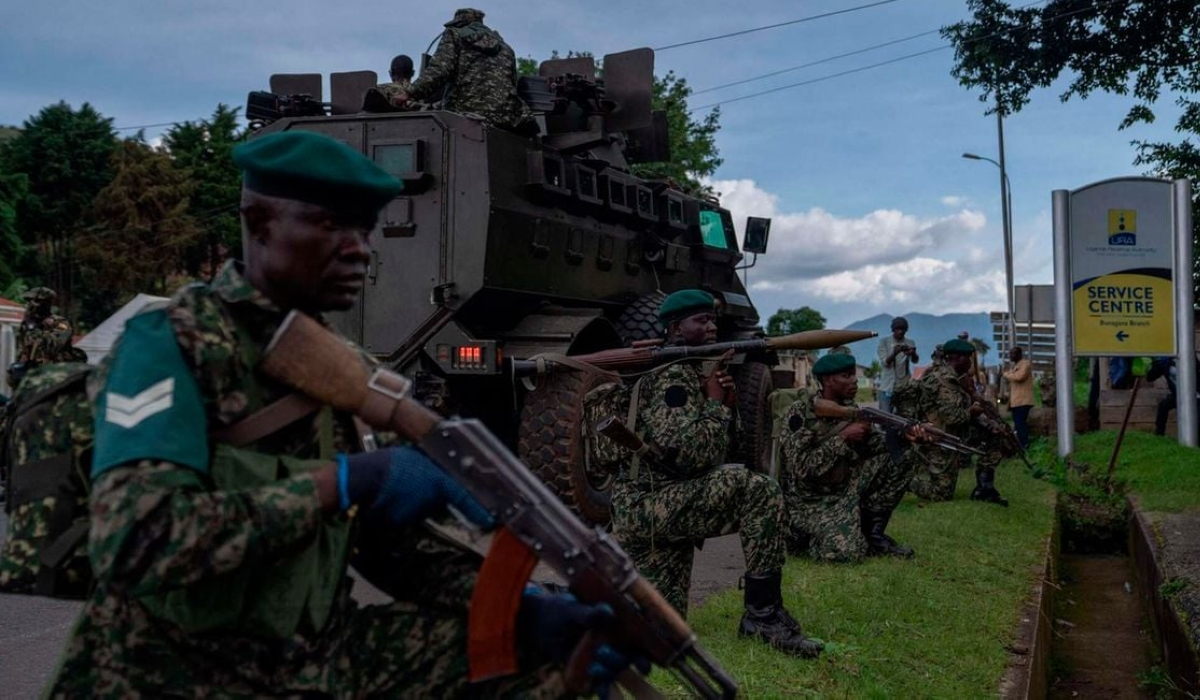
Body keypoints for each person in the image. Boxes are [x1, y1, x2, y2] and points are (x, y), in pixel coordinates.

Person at [47, 131, 627, 697]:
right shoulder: (172, 344)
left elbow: (383, 548)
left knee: (531, 659)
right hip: (171, 668)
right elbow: (135, 542)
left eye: (366, 229)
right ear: (258, 222)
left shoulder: (333, 365)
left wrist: (521, 605)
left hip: (302, 656)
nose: (361, 248)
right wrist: (345, 481)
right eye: (332, 225)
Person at [609, 289, 824, 658]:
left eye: (712, 320)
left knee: (660, 630)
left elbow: (731, 449)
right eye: (701, 320)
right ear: (676, 329)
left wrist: (728, 405)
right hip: (648, 505)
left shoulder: (696, 371)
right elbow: (692, 456)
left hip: (667, 497)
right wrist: (713, 403)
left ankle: (593, 607)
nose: (711, 327)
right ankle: (763, 617)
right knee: (760, 490)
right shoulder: (672, 377)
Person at [778, 352, 924, 562]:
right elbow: (802, 469)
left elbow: (876, 448)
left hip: (845, 490)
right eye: (846, 376)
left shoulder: (851, 409)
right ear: (828, 380)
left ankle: (872, 535)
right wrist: (843, 437)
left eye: (853, 375)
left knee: (903, 458)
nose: (855, 380)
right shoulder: (801, 413)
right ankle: (803, 536)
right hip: (810, 500)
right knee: (845, 555)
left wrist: (905, 436)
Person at [902, 338, 1008, 505]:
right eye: (969, 359)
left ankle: (984, 489)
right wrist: (973, 411)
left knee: (992, 436)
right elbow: (953, 417)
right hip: (936, 440)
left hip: (953, 433)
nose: (971, 363)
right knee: (941, 494)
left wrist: (988, 423)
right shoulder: (943, 380)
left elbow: (962, 413)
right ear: (958, 358)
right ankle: (901, 480)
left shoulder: (958, 379)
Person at [394, 8, 528, 129]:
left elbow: (440, 70)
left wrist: (409, 93)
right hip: (502, 121)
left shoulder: (454, 34)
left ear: (459, 23)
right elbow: (511, 85)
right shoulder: (507, 49)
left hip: (463, 118)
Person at [1146, 354, 1200, 436]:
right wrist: (1154, 364)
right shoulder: (1165, 362)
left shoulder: (1188, 355)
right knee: (1163, 405)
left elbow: (1196, 368)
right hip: (1178, 395)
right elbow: (1150, 377)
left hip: (1195, 393)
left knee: (1197, 417)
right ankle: (1159, 434)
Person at [876, 317, 918, 413]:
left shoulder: (910, 342)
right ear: (893, 330)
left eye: (903, 330)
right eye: (898, 329)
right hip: (887, 386)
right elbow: (885, 363)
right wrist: (895, 353)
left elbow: (915, 361)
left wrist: (913, 353)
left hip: (904, 386)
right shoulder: (884, 341)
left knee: (905, 416)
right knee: (885, 417)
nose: (900, 332)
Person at [1002, 347, 1034, 449]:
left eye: (1013, 354)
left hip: (1023, 401)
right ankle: (1020, 445)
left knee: (1020, 424)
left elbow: (1019, 377)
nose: (1010, 356)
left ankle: (1025, 445)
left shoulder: (1025, 364)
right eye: (1010, 354)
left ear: (1019, 354)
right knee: (1017, 423)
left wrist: (1005, 374)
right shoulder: (1015, 366)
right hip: (1016, 401)